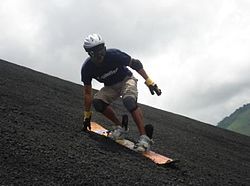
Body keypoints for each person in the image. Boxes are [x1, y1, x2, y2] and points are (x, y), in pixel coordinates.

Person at [81, 33, 161, 152]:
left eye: (102, 50)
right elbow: (88, 93)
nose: (100, 55)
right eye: (96, 53)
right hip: (110, 86)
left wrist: (149, 82)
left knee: (129, 101)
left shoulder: (114, 55)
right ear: (90, 53)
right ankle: (120, 126)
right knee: (97, 102)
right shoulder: (87, 68)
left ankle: (145, 138)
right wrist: (87, 115)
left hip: (126, 80)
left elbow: (136, 64)